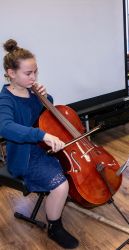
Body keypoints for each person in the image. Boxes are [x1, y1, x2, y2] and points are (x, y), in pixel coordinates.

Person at [0, 39, 79, 248]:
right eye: (28, 73)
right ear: (11, 73)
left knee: (74, 169)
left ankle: (59, 200)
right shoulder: (6, 100)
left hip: (43, 149)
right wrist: (41, 135)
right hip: (24, 156)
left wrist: (45, 97)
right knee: (61, 185)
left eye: (35, 72)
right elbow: (5, 126)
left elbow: (47, 114)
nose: (33, 77)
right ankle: (55, 227)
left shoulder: (32, 91)